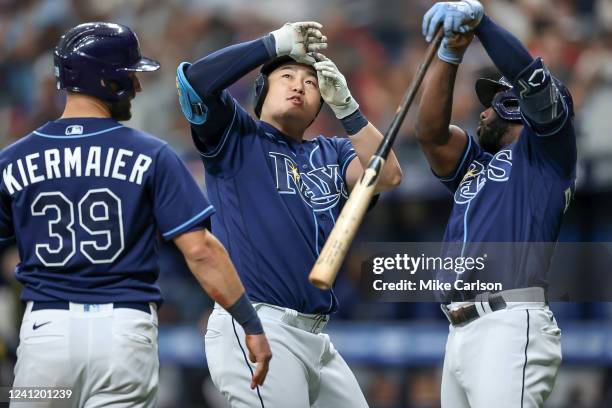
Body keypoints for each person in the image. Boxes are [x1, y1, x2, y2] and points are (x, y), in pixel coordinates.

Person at [1, 22, 271, 408]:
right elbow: (200, 251)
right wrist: (250, 322)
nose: (137, 86)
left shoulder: (13, 159)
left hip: (47, 335)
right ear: (106, 80)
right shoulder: (152, 153)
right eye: (129, 75)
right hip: (123, 334)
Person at [175, 21, 402, 407]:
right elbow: (195, 81)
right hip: (258, 325)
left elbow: (387, 176)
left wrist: (349, 108)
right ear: (261, 93)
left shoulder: (332, 150)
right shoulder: (236, 135)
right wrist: (273, 43)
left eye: (311, 83)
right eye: (286, 75)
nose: (299, 85)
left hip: (317, 337)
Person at [416, 1, 576, 407]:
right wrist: (450, 53)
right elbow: (431, 134)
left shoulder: (546, 156)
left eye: (495, 101)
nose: (483, 111)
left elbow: (531, 77)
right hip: (458, 332)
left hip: (509, 322)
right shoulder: (477, 165)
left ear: (515, 106)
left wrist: (481, 22)